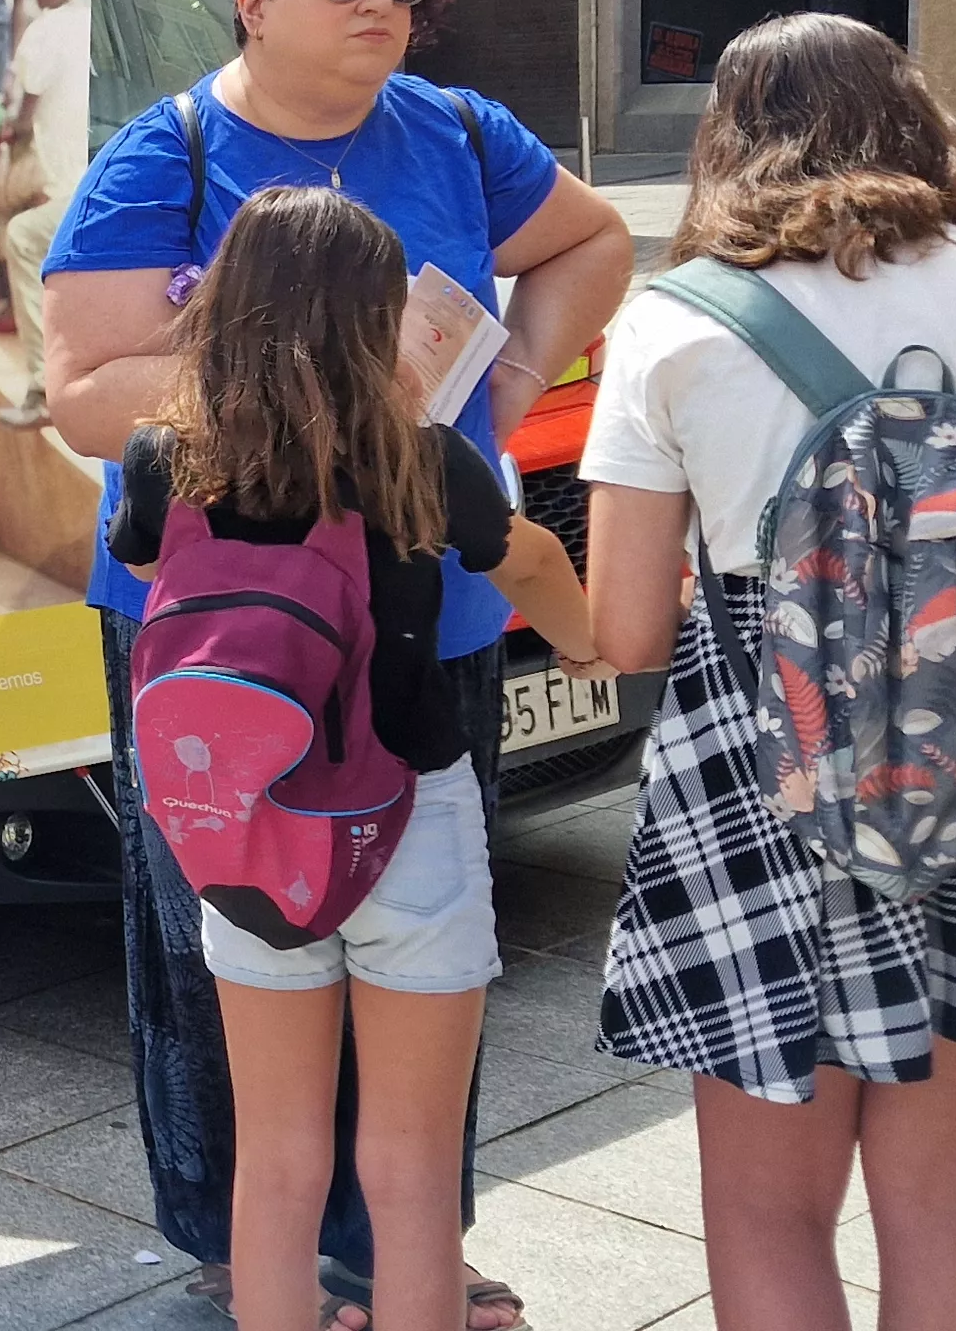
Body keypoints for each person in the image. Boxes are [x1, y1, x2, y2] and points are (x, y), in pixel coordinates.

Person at [40, 0, 635, 1328]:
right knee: (218, 954)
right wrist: (302, 385)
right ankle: (252, 1250)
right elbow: (81, 396)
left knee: (410, 957)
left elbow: (592, 242)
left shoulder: (458, 134)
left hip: (429, 622)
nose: (387, 3)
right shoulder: (162, 157)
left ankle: (387, 1251)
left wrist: (508, 374)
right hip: (225, 637)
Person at [580, 12, 956, 1331]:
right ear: (919, 121)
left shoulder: (675, 326)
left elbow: (625, 633)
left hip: (763, 772)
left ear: (724, 143)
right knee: (946, 1192)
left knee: (768, 1208)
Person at [110, 185, 609, 1331]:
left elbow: (148, 575)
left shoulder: (162, 460)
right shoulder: (418, 460)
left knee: (277, 1162)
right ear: (373, 320)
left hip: (246, 828)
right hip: (408, 822)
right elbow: (526, 561)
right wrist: (586, 643)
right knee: (409, 1168)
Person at [0, 0, 93, 419]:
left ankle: (40, 386)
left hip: (65, 190)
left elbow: (20, 120)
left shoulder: (47, 29)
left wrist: (0, 128)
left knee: (17, 234)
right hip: (87, 182)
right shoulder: (88, 25)